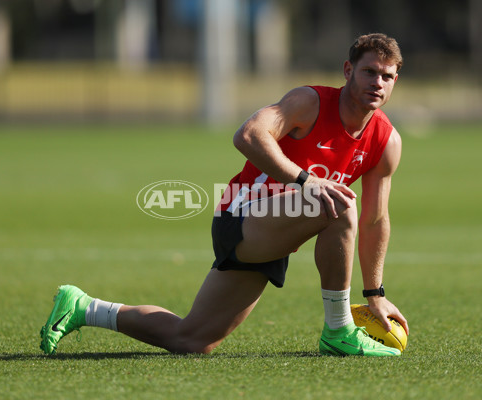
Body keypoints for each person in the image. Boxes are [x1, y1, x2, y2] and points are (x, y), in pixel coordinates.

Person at [40, 33, 410, 357]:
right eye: (369, 72)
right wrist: (305, 180)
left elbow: (376, 219)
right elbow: (248, 135)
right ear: (348, 70)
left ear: (395, 83)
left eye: (387, 76)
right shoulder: (309, 103)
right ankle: (338, 331)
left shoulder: (386, 140)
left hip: (279, 233)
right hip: (243, 215)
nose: (378, 82)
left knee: (192, 339)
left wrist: (375, 292)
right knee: (340, 203)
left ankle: (84, 307)